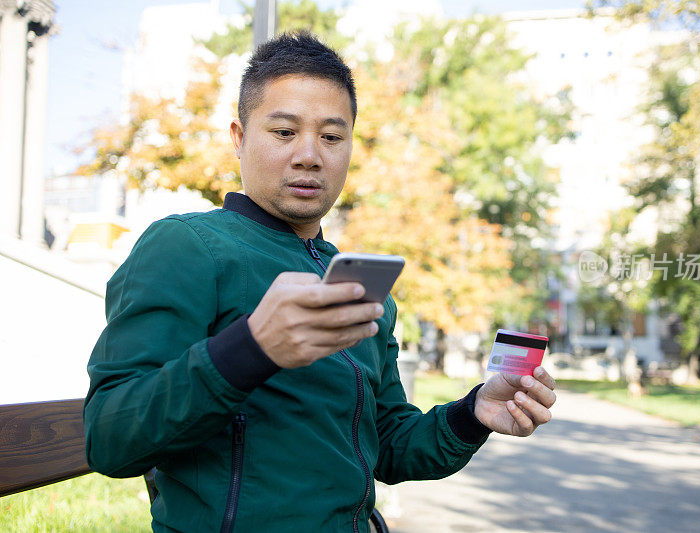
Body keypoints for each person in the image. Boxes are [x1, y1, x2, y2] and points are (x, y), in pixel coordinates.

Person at [83, 31, 556, 533]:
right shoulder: (185, 246)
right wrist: (254, 347)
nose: (310, 155)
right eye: (284, 132)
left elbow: (388, 444)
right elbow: (109, 439)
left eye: (332, 137)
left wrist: (473, 413)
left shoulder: (356, 282)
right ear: (239, 138)